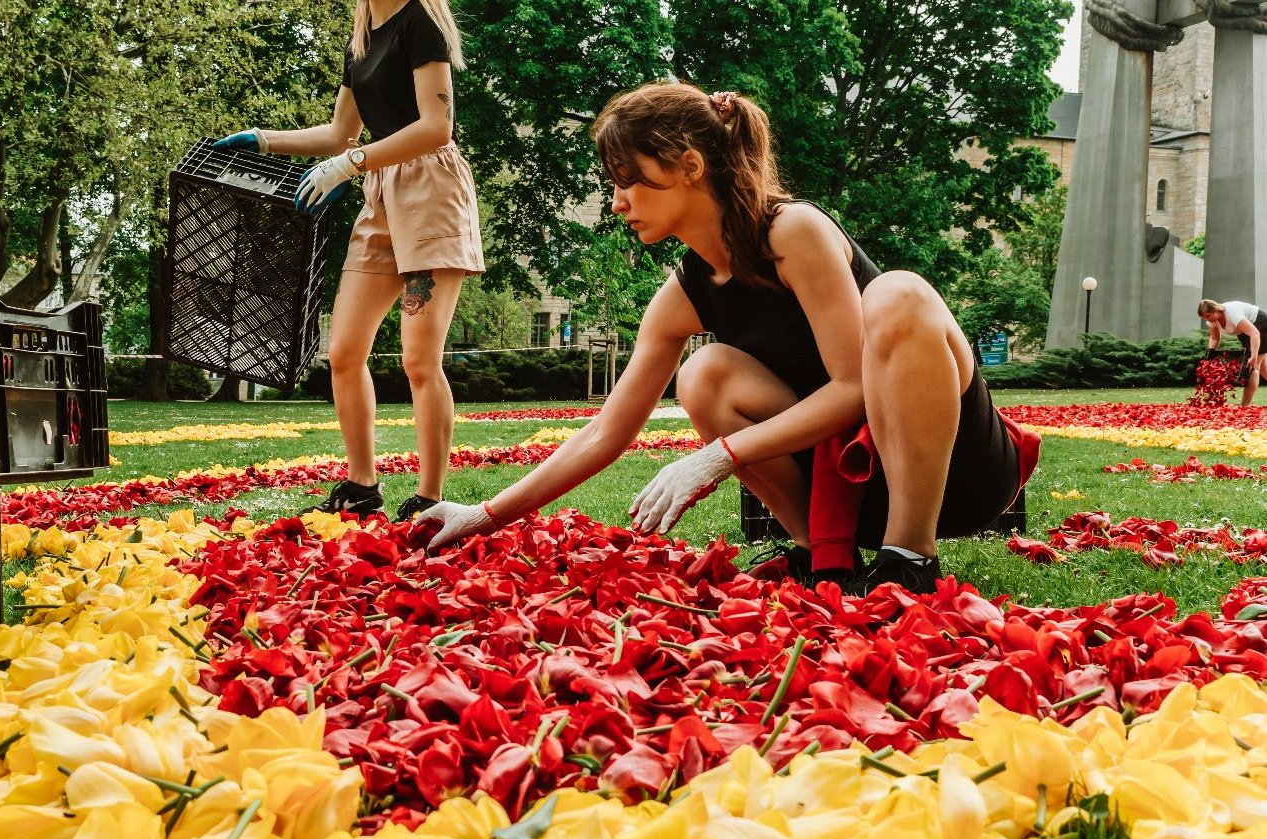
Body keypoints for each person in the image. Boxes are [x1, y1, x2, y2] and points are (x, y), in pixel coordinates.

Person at [418, 82, 1037, 594]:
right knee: (704, 372)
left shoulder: (792, 231)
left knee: (898, 293)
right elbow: (608, 430)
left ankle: (908, 561)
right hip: (845, 489)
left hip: (952, 475)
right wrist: (484, 515)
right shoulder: (686, 291)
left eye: (628, 179)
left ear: (690, 165)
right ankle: (822, 554)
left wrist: (719, 456)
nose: (616, 203)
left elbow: (854, 389)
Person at [216, 0, 482, 521]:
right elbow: (340, 133)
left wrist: (348, 164)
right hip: (380, 195)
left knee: (419, 360)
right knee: (343, 351)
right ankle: (362, 486)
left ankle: (430, 497)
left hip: (431, 192)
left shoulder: (420, 24)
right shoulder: (362, 35)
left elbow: (436, 127)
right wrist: (264, 140)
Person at [1198, 298, 1267, 406]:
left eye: (1208, 316)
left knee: (1253, 367)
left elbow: (1255, 334)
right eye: (1204, 317)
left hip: (1261, 326)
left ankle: (1245, 406)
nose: (1207, 319)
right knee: (1263, 368)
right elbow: (1214, 338)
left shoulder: (1233, 313)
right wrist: (1209, 356)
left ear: (1216, 310)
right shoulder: (1213, 321)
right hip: (1247, 332)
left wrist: (1253, 357)